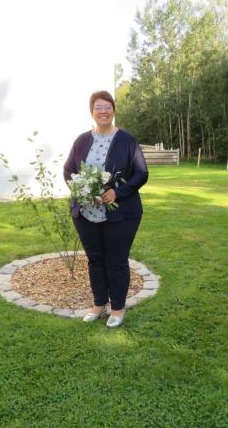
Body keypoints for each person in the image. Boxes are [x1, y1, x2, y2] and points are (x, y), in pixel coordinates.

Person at [63, 90, 148, 328]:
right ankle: (99, 305)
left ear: (113, 110)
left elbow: (142, 173)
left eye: (107, 107)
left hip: (121, 215)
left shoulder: (127, 141)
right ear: (92, 112)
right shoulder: (81, 140)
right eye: (98, 107)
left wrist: (116, 193)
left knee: (117, 260)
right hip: (87, 214)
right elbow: (68, 170)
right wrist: (81, 189)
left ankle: (118, 309)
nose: (103, 111)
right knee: (95, 260)